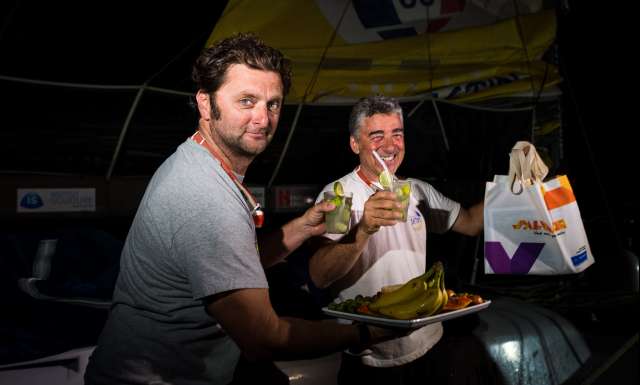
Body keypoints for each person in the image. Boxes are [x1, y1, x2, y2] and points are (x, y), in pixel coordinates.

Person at [84, 33, 398, 385]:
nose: (263, 119)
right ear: (206, 104)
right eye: (246, 101)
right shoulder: (205, 197)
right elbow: (264, 338)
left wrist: (304, 227)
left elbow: (230, 263)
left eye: (273, 104)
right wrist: (366, 334)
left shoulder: (197, 159)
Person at [308, 95, 484, 384]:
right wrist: (363, 228)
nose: (389, 146)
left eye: (397, 134)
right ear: (355, 144)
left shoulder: (416, 190)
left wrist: (512, 186)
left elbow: (470, 223)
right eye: (377, 136)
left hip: (428, 342)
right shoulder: (339, 195)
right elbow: (319, 275)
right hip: (369, 355)